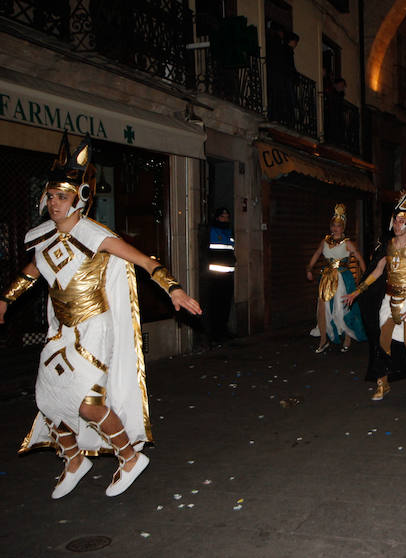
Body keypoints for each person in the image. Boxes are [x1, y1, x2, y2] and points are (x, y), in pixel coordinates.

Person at [0, 134, 202, 499]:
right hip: (60, 332)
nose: (54, 202)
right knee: (48, 399)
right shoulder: (44, 237)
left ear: (80, 199)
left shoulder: (94, 234)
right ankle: (75, 460)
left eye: (62, 196)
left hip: (93, 329)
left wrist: (174, 289)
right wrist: (4, 300)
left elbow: (144, 261)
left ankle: (129, 457)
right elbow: (32, 273)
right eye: (51, 195)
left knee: (88, 404)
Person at [344, 188, 406, 401]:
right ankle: (382, 384)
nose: (397, 224)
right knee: (382, 342)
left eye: (402, 220)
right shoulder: (387, 246)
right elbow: (377, 271)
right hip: (389, 299)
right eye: (395, 220)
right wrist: (358, 290)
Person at [305, 204, 367, 353]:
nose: (335, 228)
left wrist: (366, 278)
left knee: (343, 309)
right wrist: (309, 268)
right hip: (326, 278)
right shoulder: (325, 241)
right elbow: (316, 254)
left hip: (343, 278)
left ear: (343, 227)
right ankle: (323, 340)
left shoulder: (347, 243)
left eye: (338, 226)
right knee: (322, 308)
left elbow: (359, 258)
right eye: (333, 225)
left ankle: (347, 338)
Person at [207, 207, 235, 341]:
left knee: (226, 304)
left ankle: (223, 330)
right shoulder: (212, 231)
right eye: (223, 216)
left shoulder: (229, 232)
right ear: (217, 218)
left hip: (228, 275)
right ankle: (215, 333)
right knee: (216, 304)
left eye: (227, 216)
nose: (225, 219)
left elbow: (230, 250)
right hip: (216, 276)